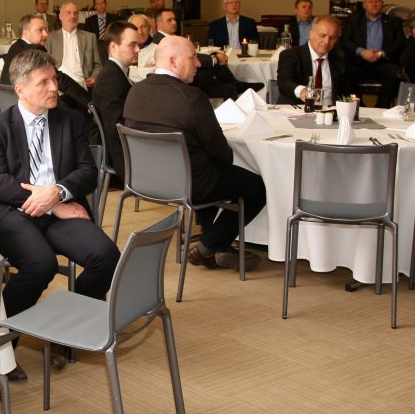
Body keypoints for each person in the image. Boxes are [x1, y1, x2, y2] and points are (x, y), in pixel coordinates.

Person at [0, 48, 120, 382]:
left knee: (106, 256)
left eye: (54, 79)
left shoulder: (70, 121)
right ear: (21, 90)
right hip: (13, 211)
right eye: (43, 82)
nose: (54, 88)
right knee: (39, 264)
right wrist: (51, 202)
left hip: (60, 208)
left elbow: (87, 171)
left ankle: (65, 330)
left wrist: (57, 192)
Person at [123, 36, 265, 270]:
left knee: (205, 166)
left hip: (144, 181)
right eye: (192, 58)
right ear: (173, 61)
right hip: (189, 185)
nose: (199, 64)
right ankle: (209, 247)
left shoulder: (135, 92)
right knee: (256, 187)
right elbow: (223, 155)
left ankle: (216, 247)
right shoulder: (192, 98)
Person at [91, 21, 142, 184]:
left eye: (138, 45)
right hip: (124, 158)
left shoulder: (116, 72)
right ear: (113, 46)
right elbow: (116, 128)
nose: (138, 50)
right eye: (132, 45)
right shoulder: (110, 77)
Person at [339, 0, 405, 108]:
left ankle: (381, 107)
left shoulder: (394, 21)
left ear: (382, 4)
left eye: (378, 1)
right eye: (371, 2)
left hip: (383, 62)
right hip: (358, 62)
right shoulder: (353, 19)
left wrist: (381, 53)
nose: (374, 4)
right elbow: (345, 41)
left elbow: (400, 43)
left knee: (394, 73)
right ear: (364, 5)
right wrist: (362, 52)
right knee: (345, 72)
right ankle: (359, 106)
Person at [277, 15, 350, 106]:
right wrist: (302, 91)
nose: (327, 42)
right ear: (311, 34)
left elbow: (349, 94)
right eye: (322, 35)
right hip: (297, 109)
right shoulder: (291, 55)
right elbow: (284, 82)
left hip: (331, 111)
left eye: (332, 38)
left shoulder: (340, 62)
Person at [48, 2, 102, 89]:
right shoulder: (51, 38)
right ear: (60, 16)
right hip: (59, 85)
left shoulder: (90, 37)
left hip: (84, 84)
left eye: (76, 13)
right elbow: (46, 65)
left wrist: (94, 77)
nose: (73, 16)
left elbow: (98, 64)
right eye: (68, 13)